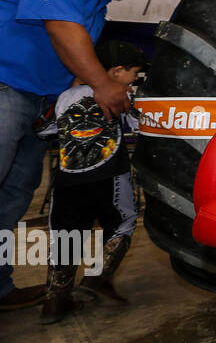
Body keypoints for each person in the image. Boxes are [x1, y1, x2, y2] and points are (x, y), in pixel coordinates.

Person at [0, 0, 169, 310]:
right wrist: (103, 84)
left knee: (13, 196)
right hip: (5, 87)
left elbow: (70, 55)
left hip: (39, 102)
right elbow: (61, 29)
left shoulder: (97, 4)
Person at [37, 41, 146, 323]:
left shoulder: (66, 95)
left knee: (65, 236)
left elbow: (44, 129)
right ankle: (97, 277)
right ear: (118, 71)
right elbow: (141, 124)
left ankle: (54, 303)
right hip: (109, 176)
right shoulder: (121, 96)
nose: (135, 79)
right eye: (134, 73)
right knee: (121, 223)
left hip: (66, 182)